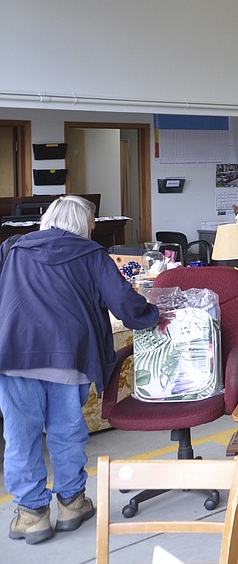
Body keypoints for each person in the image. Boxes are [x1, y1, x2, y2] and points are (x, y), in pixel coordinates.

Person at [0, 195, 159, 546]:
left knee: (20, 434)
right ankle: (72, 503)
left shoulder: (14, 249)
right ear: (81, 224)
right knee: (65, 430)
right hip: (67, 354)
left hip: (13, 353)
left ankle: (31, 515)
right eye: (91, 224)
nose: (92, 229)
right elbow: (123, 303)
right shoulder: (91, 255)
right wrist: (152, 316)